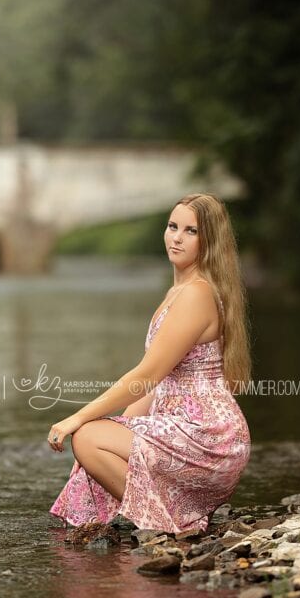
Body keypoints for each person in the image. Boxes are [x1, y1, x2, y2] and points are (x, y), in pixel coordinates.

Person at [47, 192, 252, 535]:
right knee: (94, 438)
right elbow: (157, 384)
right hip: (187, 430)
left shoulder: (197, 295)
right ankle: (170, 514)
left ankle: (164, 524)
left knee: (86, 436)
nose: (176, 237)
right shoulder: (181, 291)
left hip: (208, 438)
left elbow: (146, 374)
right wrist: (111, 435)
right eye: (173, 226)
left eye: (191, 231)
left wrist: (78, 418)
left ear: (209, 240)